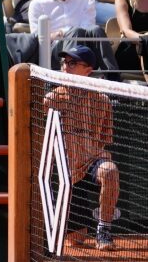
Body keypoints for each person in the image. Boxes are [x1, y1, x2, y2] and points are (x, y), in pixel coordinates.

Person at [44, 44, 120, 252]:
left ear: (88, 70)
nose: (65, 67)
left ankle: (104, 231)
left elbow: (104, 139)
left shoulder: (102, 101)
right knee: (75, 241)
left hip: (91, 163)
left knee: (110, 171)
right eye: (64, 63)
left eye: (72, 63)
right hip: (62, 172)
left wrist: (87, 152)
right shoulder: (52, 99)